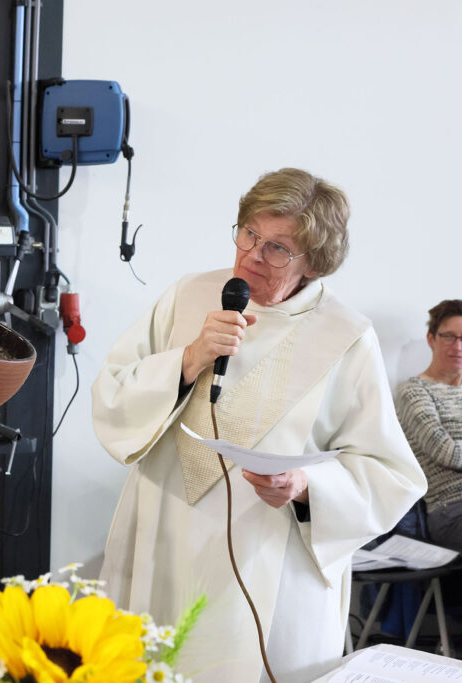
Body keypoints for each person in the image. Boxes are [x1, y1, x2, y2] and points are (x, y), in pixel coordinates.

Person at [91, 168, 426, 682]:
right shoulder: (188, 296)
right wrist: (188, 358)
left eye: (277, 248)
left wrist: (306, 486)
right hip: (163, 540)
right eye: (249, 232)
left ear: (314, 261)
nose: (251, 254)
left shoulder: (346, 336)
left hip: (269, 561)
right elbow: (113, 393)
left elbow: (390, 473)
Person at [395, 300, 462, 551]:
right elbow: (448, 452)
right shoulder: (413, 391)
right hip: (451, 509)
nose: (458, 346)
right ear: (431, 339)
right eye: (449, 337)